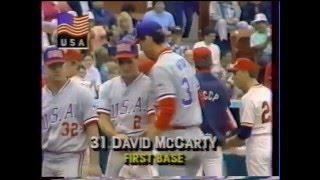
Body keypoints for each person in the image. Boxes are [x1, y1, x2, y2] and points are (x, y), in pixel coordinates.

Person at [136, 20, 204, 176]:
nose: (141, 47)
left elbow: (167, 109)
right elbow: (201, 99)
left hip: (175, 139)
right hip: (196, 135)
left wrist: (147, 142)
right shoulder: (181, 60)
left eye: (140, 41)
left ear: (148, 39)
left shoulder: (161, 66)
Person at [97, 40, 158, 177]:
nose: (125, 66)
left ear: (137, 59)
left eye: (129, 61)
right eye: (121, 62)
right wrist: (114, 135)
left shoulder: (150, 86)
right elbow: (102, 118)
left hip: (142, 145)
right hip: (119, 145)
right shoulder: (106, 87)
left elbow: (154, 121)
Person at [42, 47, 102, 177]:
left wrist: (94, 163)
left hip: (73, 157)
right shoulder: (43, 95)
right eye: (52, 66)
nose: (57, 69)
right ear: (45, 67)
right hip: (47, 157)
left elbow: (93, 130)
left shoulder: (81, 93)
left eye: (60, 65)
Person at [224, 58, 272, 176]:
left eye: (235, 73)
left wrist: (227, 143)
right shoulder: (267, 92)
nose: (233, 78)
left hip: (257, 146)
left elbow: (244, 134)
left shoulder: (248, 98)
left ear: (245, 73)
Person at [193, 47, 234, 176]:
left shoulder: (190, 82)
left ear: (194, 61)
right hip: (215, 139)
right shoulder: (220, 85)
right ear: (211, 61)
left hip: (195, 138)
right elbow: (225, 108)